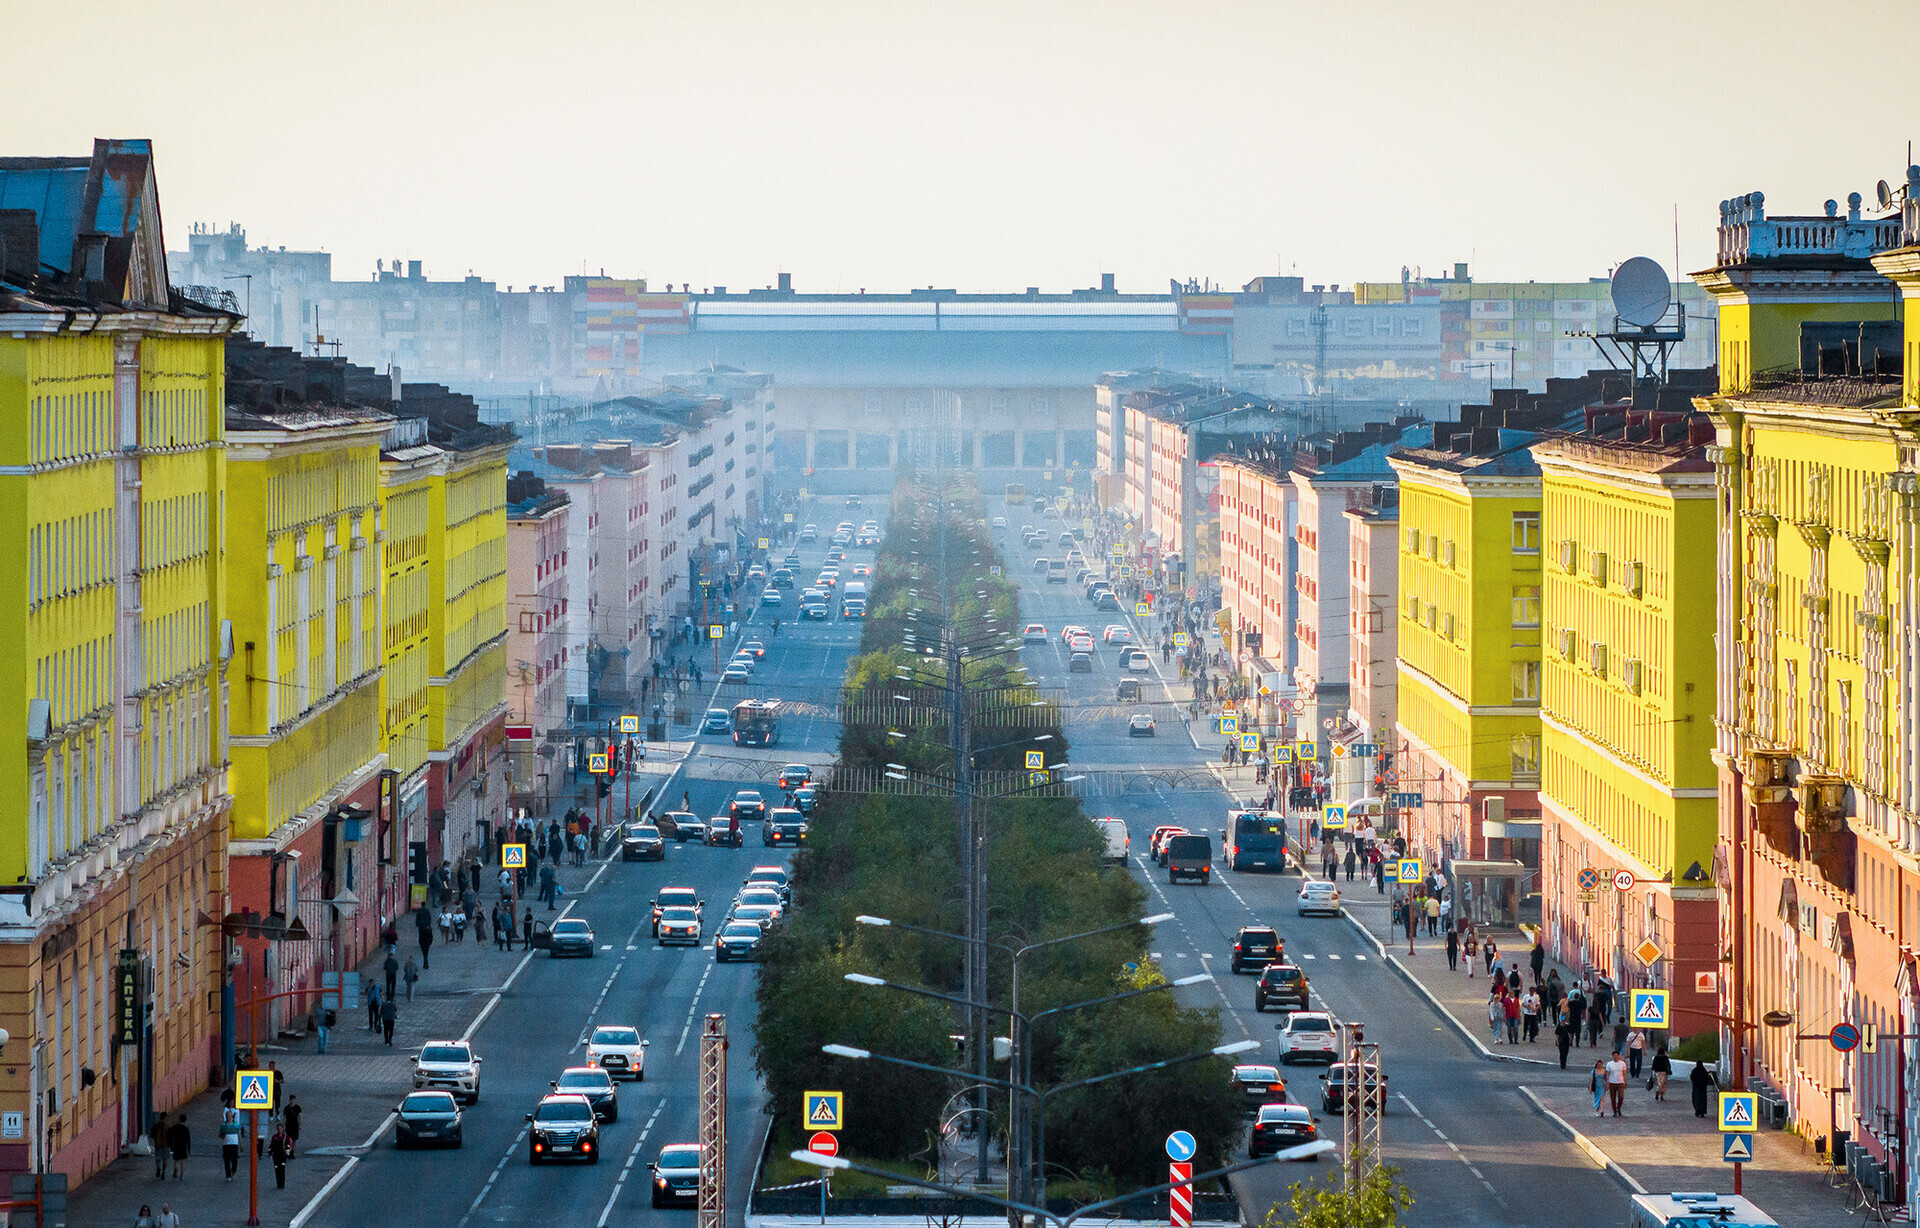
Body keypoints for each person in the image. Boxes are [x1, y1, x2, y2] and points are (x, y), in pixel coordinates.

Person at [220, 1097, 242, 1181]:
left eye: (229, 1116)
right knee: (226, 1160)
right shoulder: (223, 1125)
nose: (229, 1117)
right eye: (227, 1116)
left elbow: (238, 1133)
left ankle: (233, 1171)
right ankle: (228, 1175)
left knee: (234, 1159)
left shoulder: (236, 1124)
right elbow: (220, 1134)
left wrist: (240, 1144)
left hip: (234, 1143)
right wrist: (224, 1136)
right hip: (226, 1144)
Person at [1605, 1051, 1629, 1116]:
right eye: (1614, 1056)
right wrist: (1607, 1084)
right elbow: (1607, 1074)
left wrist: (1625, 1081)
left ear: (1618, 1056)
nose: (1615, 1057)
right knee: (1613, 1098)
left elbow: (1624, 1073)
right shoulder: (1609, 1064)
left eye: (1616, 1055)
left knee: (1621, 1097)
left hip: (1620, 1082)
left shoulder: (1622, 1064)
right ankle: (1614, 1111)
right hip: (1612, 1082)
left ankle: (1619, 1108)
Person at [167, 1113, 191, 1179]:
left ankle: (175, 1168)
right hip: (183, 1146)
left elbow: (169, 1133)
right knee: (183, 1160)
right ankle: (182, 1174)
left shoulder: (174, 1127)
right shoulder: (186, 1129)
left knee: (176, 1159)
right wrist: (189, 1149)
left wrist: (170, 1143)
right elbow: (188, 1140)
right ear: (185, 1120)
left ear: (179, 1119)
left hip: (176, 1145)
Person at [268, 1124, 291, 1189]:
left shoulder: (285, 1137)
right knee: (277, 1169)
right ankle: (278, 1183)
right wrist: (269, 1153)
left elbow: (288, 1146)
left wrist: (287, 1153)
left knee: (282, 1169)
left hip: (282, 1155)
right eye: (278, 1128)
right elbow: (271, 1145)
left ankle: (282, 1184)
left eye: (280, 1128)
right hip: (276, 1155)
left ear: (283, 1128)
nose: (279, 1130)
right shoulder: (274, 1137)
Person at [150, 1112, 170, 1179]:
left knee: (158, 1158)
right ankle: (163, 1172)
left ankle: (158, 1168)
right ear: (165, 1117)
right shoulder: (168, 1126)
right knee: (165, 1159)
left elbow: (152, 1134)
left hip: (158, 1144)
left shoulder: (156, 1125)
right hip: (166, 1144)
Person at [415, 903, 434, 970]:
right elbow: (429, 918)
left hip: (421, 931)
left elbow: (417, 918)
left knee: (424, 951)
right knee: (426, 951)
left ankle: (425, 961)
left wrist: (417, 924)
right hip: (427, 937)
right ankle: (425, 961)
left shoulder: (419, 911)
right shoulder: (427, 911)